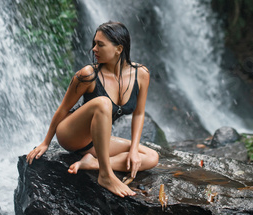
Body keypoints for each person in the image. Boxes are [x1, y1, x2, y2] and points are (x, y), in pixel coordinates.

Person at [26, 21, 159, 197]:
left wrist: (134, 149)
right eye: (94, 43)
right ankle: (105, 175)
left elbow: (139, 113)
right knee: (103, 102)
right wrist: (46, 142)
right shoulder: (88, 75)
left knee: (151, 157)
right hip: (71, 134)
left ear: (119, 49)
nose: (94, 49)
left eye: (100, 45)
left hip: (96, 141)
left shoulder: (141, 74)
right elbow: (63, 109)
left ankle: (93, 163)